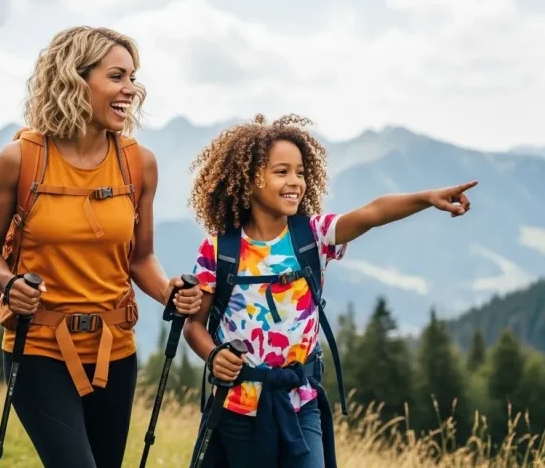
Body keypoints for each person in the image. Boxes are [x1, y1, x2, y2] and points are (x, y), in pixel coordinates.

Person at [182, 113, 477, 468]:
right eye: (282, 172)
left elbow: (372, 212)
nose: (296, 182)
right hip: (237, 408)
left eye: (301, 172)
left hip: (300, 401)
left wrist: (427, 198)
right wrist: (214, 356)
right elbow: (194, 326)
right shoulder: (219, 250)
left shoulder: (313, 236)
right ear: (250, 179)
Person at [0, 25, 203, 467]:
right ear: (74, 78)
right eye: (116, 76)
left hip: (115, 349)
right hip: (37, 346)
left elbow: (141, 258)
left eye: (132, 78)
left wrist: (169, 293)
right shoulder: (21, 159)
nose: (131, 90)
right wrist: (9, 283)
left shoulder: (138, 163)